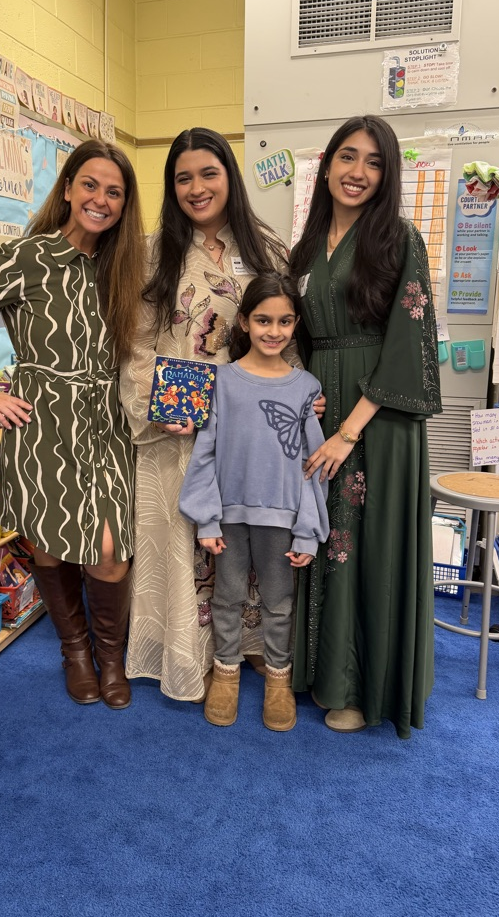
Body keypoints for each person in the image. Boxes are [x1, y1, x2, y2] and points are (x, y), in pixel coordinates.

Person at [0, 139, 146, 709]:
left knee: (108, 548)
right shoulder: (26, 256)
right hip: (40, 421)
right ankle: (75, 651)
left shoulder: (125, 266)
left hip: (105, 422)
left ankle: (110, 656)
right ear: (69, 188)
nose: (100, 200)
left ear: (125, 205)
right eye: (90, 185)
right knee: (49, 547)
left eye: (114, 192)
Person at [120, 126, 311, 703]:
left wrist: (302, 401)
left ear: (230, 175)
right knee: (193, 544)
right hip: (178, 430)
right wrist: (160, 406)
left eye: (209, 173)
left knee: (253, 542)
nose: (197, 188)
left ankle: (251, 650)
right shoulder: (153, 253)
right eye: (183, 178)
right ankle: (195, 657)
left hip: (252, 434)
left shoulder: (269, 248)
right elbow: (135, 347)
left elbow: (291, 339)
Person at [289, 114, 442, 739]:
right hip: (322, 405)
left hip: (377, 417)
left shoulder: (400, 240)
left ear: (387, 175)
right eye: (347, 157)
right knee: (319, 535)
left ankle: (359, 687)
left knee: (361, 543)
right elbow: (290, 329)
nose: (358, 172)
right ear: (326, 166)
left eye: (374, 162)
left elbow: (409, 342)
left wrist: (349, 429)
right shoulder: (306, 244)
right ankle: (319, 672)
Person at [180, 273, 329, 731]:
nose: (274, 331)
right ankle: (225, 673)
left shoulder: (307, 388)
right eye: (263, 320)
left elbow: (313, 464)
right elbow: (204, 452)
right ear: (243, 322)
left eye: (285, 321)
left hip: (282, 517)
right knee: (226, 597)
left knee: (279, 602)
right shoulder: (221, 381)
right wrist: (206, 518)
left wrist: (308, 528)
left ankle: (278, 680)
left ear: (295, 324)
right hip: (227, 515)